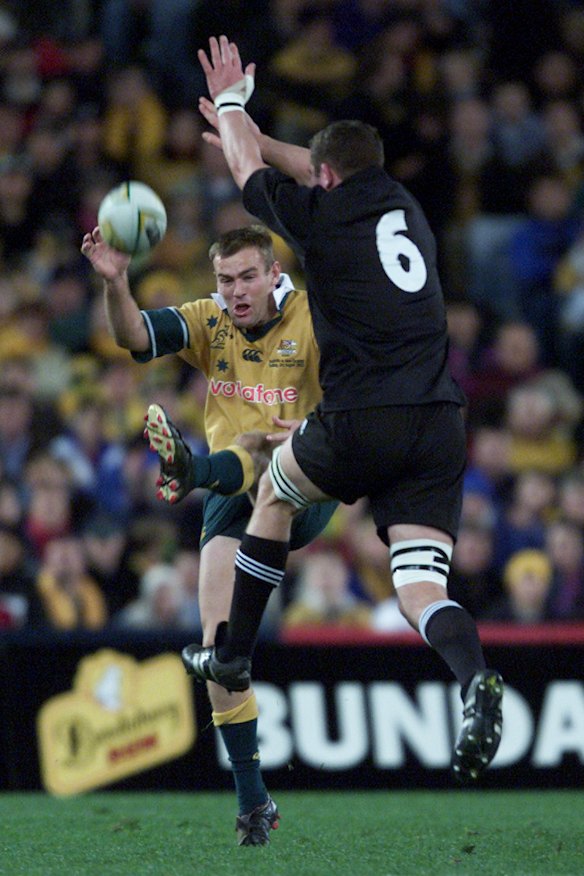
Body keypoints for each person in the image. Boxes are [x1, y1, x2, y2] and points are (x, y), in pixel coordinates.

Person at [184, 35, 504, 786]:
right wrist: (259, 135)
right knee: (422, 588)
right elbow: (304, 163)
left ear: (324, 179)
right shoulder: (406, 208)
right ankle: (475, 679)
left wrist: (235, 108)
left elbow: (248, 176)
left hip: (363, 416)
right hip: (437, 425)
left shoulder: (322, 221)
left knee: (271, 493)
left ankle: (232, 651)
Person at [81, 221, 337, 844]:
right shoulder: (210, 318)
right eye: (226, 280)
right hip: (234, 490)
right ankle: (254, 803)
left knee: (258, 446)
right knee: (221, 653)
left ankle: (190, 469)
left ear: (274, 273)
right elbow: (132, 335)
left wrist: (308, 431)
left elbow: (356, 397)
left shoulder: (314, 319)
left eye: (249, 276)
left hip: (304, 478)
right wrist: (117, 282)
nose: (237, 290)